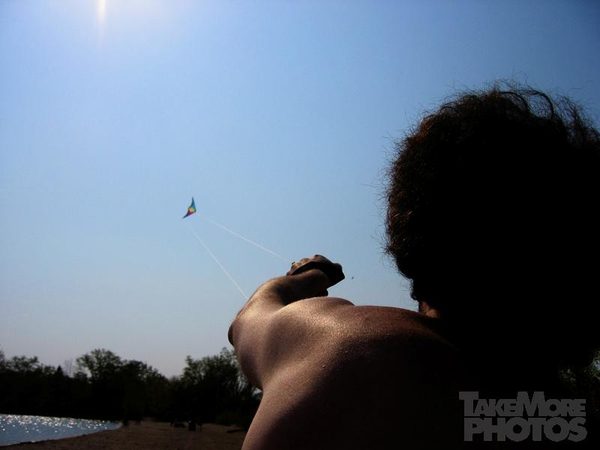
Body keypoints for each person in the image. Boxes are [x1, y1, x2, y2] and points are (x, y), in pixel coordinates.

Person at [228, 86, 600, 449]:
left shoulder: (357, 350)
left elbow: (248, 320)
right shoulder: (559, 419)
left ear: (415, 235)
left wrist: (311, 274)